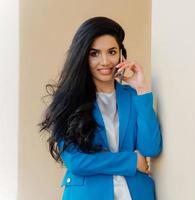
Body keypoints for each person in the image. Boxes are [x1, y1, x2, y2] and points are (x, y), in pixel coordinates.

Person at [39, 16, 162, 200]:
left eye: (111, 52)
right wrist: (131, 160)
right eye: (94, 53)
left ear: (121, 54)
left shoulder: (132, 96)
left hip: (135, 193)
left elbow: (150, 148)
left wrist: (141, 90)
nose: (105, 61)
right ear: (83, 57)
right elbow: (77, 161)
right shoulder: (69, 100)